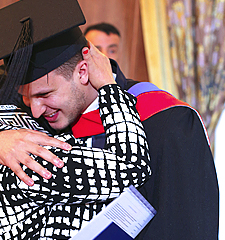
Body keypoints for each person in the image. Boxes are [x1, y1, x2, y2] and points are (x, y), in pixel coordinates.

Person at [0, 1, 218, 239]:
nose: (34, 110)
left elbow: (187, 227)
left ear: (83, 71)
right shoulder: (30, 129)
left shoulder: (167, 120)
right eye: (26, 97)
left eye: (46, 93)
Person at [84, 22, 219, 239]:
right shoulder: (59, 116)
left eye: (112, 50)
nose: (104, 57)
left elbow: (185, 210)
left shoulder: (161, 114)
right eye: (97, 49)